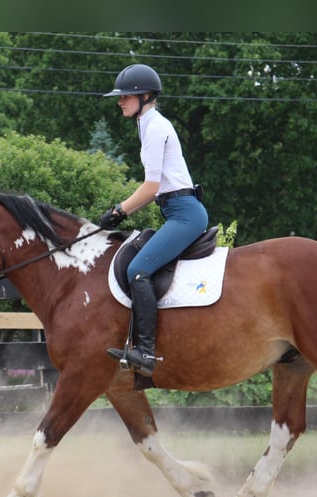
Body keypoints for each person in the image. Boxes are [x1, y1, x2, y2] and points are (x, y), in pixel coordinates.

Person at [99, 63, 209, 382]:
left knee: (138, 269)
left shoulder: (156, 126)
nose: (120, 101)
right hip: (176, 211)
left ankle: (145, 351)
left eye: (126, 96)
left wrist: (120, 211)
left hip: (186, 214)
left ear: (145, 96)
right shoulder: (146, 124)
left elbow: (152, 187)